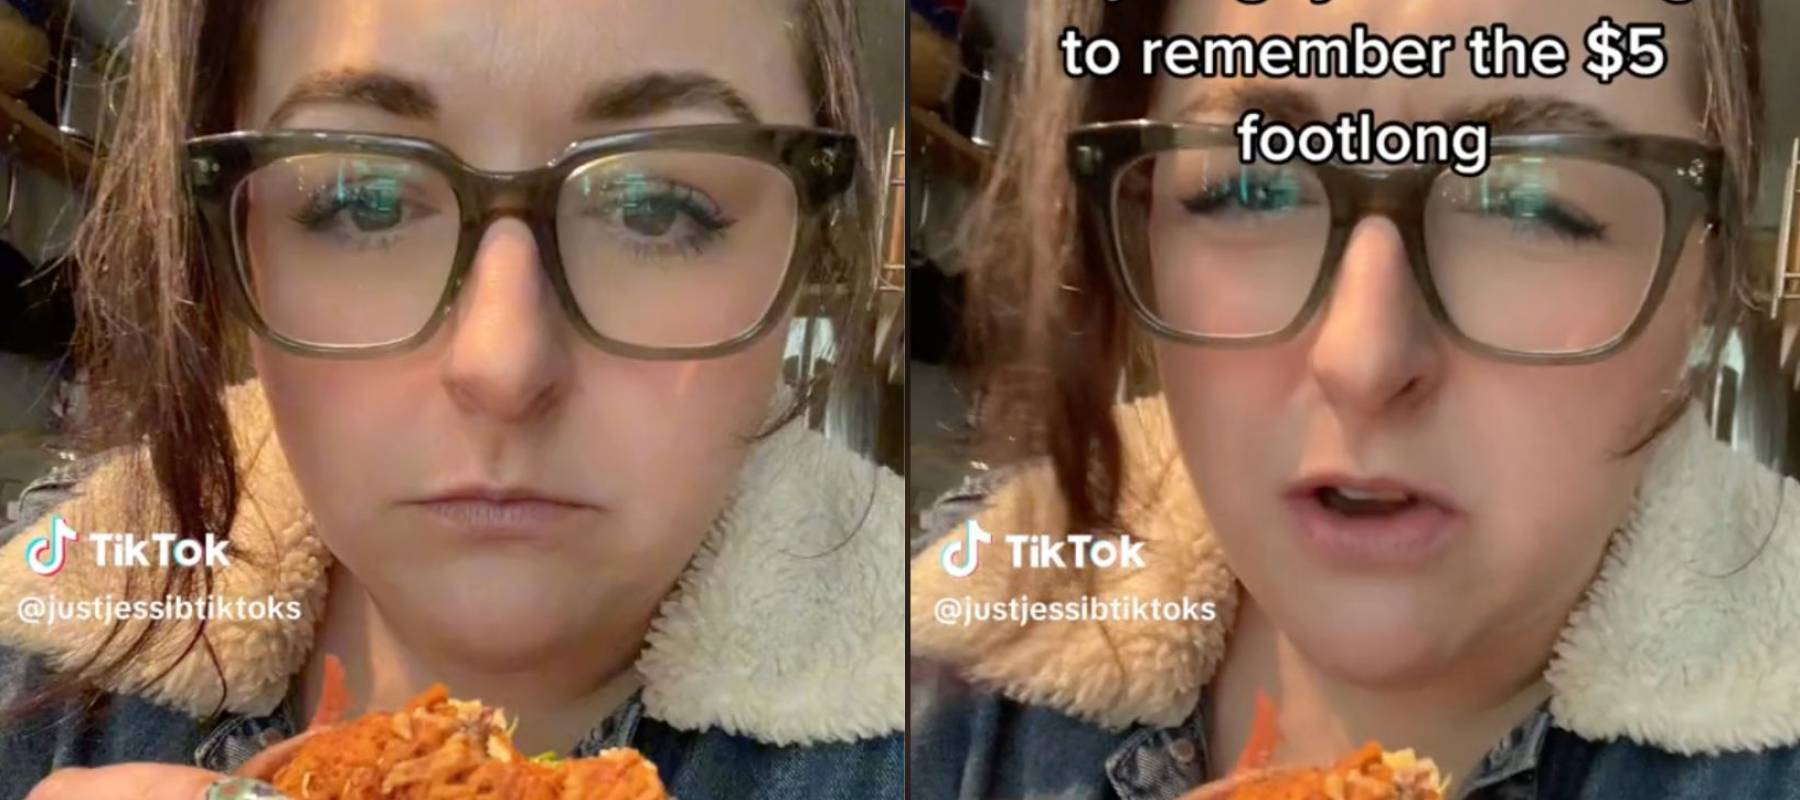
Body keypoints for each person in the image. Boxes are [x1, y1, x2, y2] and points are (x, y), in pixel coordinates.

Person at [0, 1, 902, 798]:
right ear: (238, 237)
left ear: (812, 243)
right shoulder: (34, 645)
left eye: (654, 207)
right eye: (365, 201)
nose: (502, 365)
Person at [910, 1, 1800, 798]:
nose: (1364, 358)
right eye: (1254, 183)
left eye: (1528, 202)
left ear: (1708, 280)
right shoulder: (939, 637)